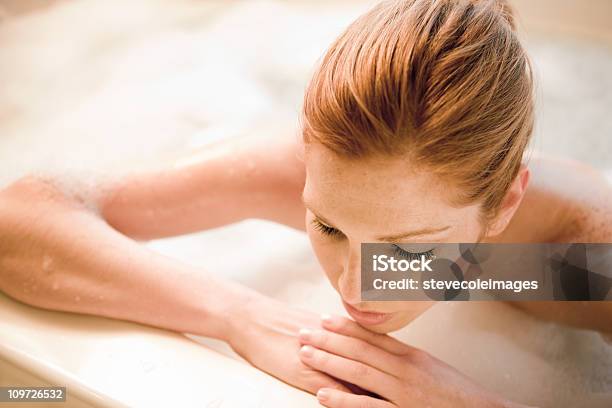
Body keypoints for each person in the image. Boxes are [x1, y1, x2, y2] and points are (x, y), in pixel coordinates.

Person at [1, 0, 611, 406]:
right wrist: (237, 316)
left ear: (504, 207)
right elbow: (20, 218)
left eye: (409, 250)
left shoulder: (579, 261)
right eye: (327, 226)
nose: (358, 287)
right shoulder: (342, 168)